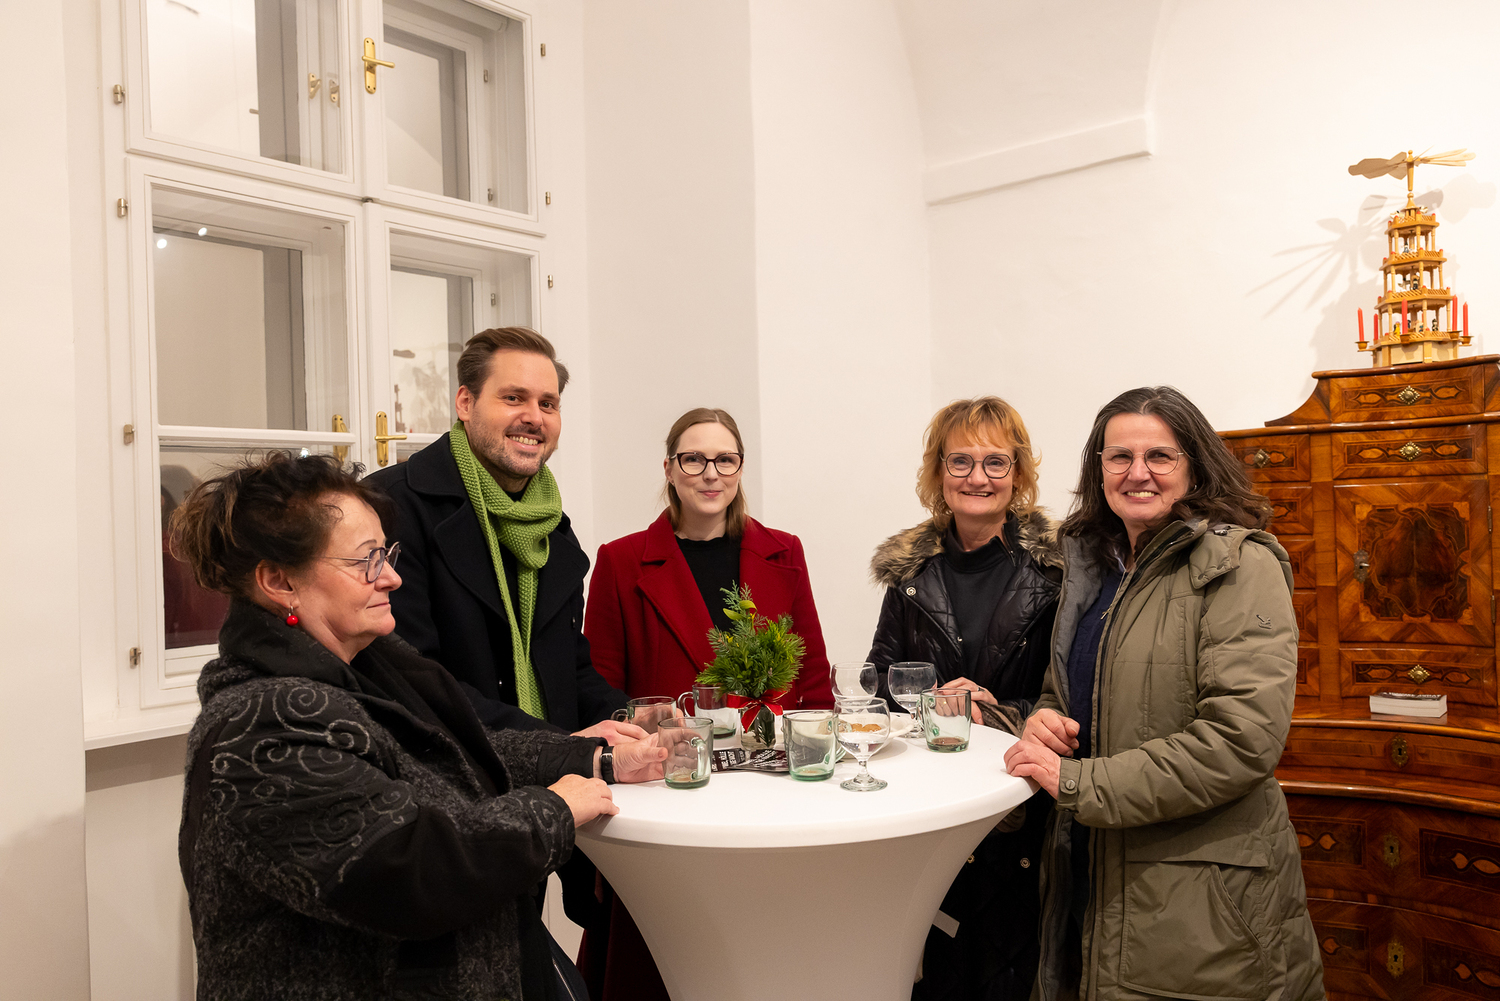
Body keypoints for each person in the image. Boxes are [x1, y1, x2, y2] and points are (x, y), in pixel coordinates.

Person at [171, 452, 668, 1001]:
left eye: (386, 554)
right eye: (366, 561)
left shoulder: (367, 666)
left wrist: (593, 757)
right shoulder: (260, 726)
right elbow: (410, 870)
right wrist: (553, 810)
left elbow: (454, 751)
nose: (392, 576)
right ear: (278, 581)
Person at [1003, 386, 1324, 1001]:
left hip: (1201, 899)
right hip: (1091, 871)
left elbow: (1239, 741)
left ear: (1194, 467)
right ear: (1098, 468)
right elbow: (1063, 689)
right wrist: (1045, 719)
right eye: (1119, 456)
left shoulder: (1238, 565)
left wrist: (1079, 784)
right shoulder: (1095, 569)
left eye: (1159, 456)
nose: (1137, 472)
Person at [578, 406, 835, 1001]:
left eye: (725, 459)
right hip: (668, 792)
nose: (710, 473)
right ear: (670, 469)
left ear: (741, 468)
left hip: (769, 794)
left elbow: (814, 684)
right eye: (693, 459)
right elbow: (600, 693)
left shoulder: (784, 551)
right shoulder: (620, 560)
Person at [865, 395, 1061, 1001]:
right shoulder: (909, 573)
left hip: (1020, 805)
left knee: (1012, 972)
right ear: (939, 472)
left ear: (1018, 473)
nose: (978, 477)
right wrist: (931, 701)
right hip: (933, 804)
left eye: (996, 462)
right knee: (940, 972)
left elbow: (1072, 692)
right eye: (961, 461)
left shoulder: (1057, 572)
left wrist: (995, 709)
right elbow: (879, 682)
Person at [366, 326, 629, 737]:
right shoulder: (390, 507)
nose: (534, 418)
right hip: (452, 765)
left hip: (557, 765)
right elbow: (413, 679)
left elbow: (570, 670)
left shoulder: (551, 526)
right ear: (465, 403)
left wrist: (634, 717)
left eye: (548, 404)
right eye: (513, 398)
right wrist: (559, 749)